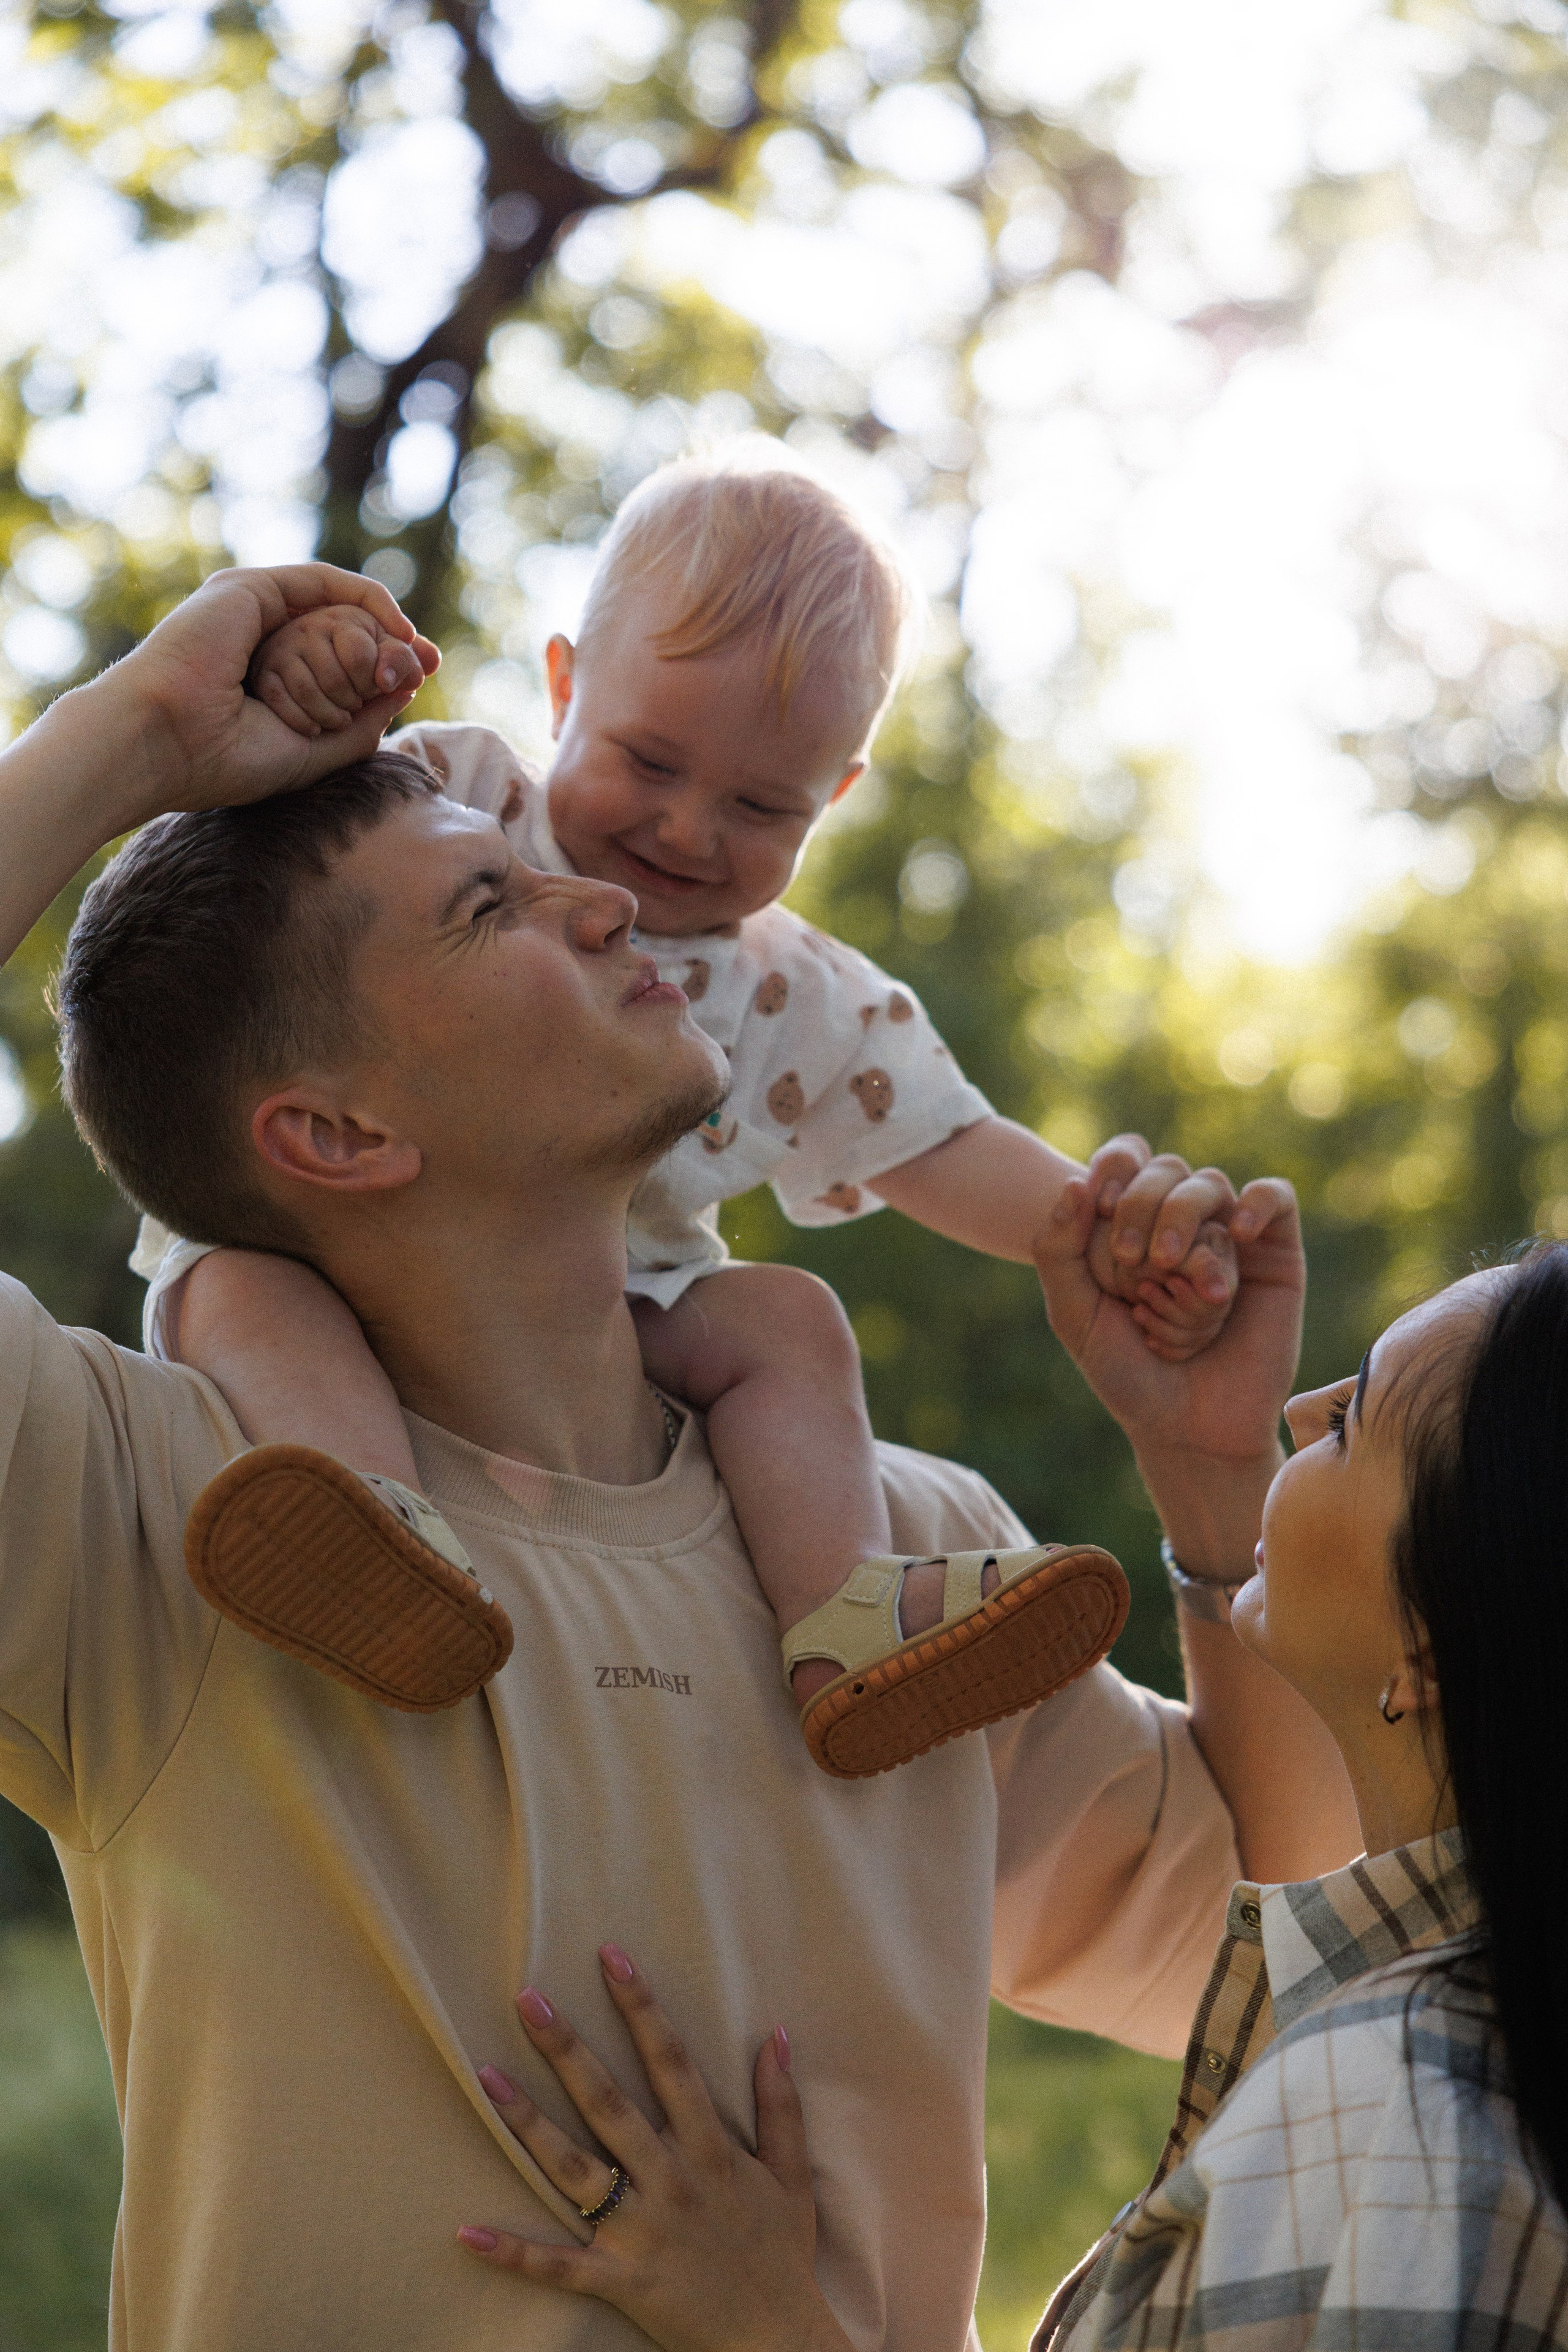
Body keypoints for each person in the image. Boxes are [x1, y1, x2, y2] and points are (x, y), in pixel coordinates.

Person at [0, 565, 1355, 2352]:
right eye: (488, 902)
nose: (596, 890)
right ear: (332, 1130)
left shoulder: (896, 1560)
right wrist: (140, 733)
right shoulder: (158, 1511)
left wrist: (1213, 1492)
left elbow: (1296, 1969)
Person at [138, 452, 1243, 1773]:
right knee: (239, 1287)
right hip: (349, 1260)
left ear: (832, 797)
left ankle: (844, 1621)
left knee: (787, 1320)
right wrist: (310, 672)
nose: (683, 828)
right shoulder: (447, 807)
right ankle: (377, 1544)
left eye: (760, 805)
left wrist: (1103, 1231)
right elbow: (247, 855)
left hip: (604, 1331)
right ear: (563, 687)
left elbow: (943, 1144)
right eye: (648, 759)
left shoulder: (803, 995)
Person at [453, 1216, 1568, 2350]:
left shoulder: (1408, 2141)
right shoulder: (1442, 2070)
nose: (1297, 1410)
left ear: (1429, 1652)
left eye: (1350, 1421)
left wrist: (771, 2324)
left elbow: (1227, 1902)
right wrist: (1213, 1457)